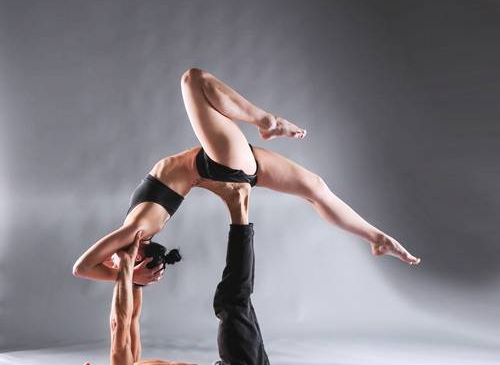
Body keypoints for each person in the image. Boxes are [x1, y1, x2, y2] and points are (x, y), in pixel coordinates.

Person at [72, 68, 420, 289]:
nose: (111, 260)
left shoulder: (139, 229)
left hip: (218, 163)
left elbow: (94, 265)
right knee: (193, 81)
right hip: (219, 163)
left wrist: (128, 274)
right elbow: (82, 267)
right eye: (119, 262)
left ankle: (376, 237)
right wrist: (128, 276)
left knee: (315, 188)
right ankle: (267, 121)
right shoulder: (137, 233)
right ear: (137, 256)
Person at [53, 182, 273, 365]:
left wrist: (136, 279)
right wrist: (125, 264)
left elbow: (131, 319)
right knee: (230, 301)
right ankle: (238, 206)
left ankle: (240, 208)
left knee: (236, 300)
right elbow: (118, 324)